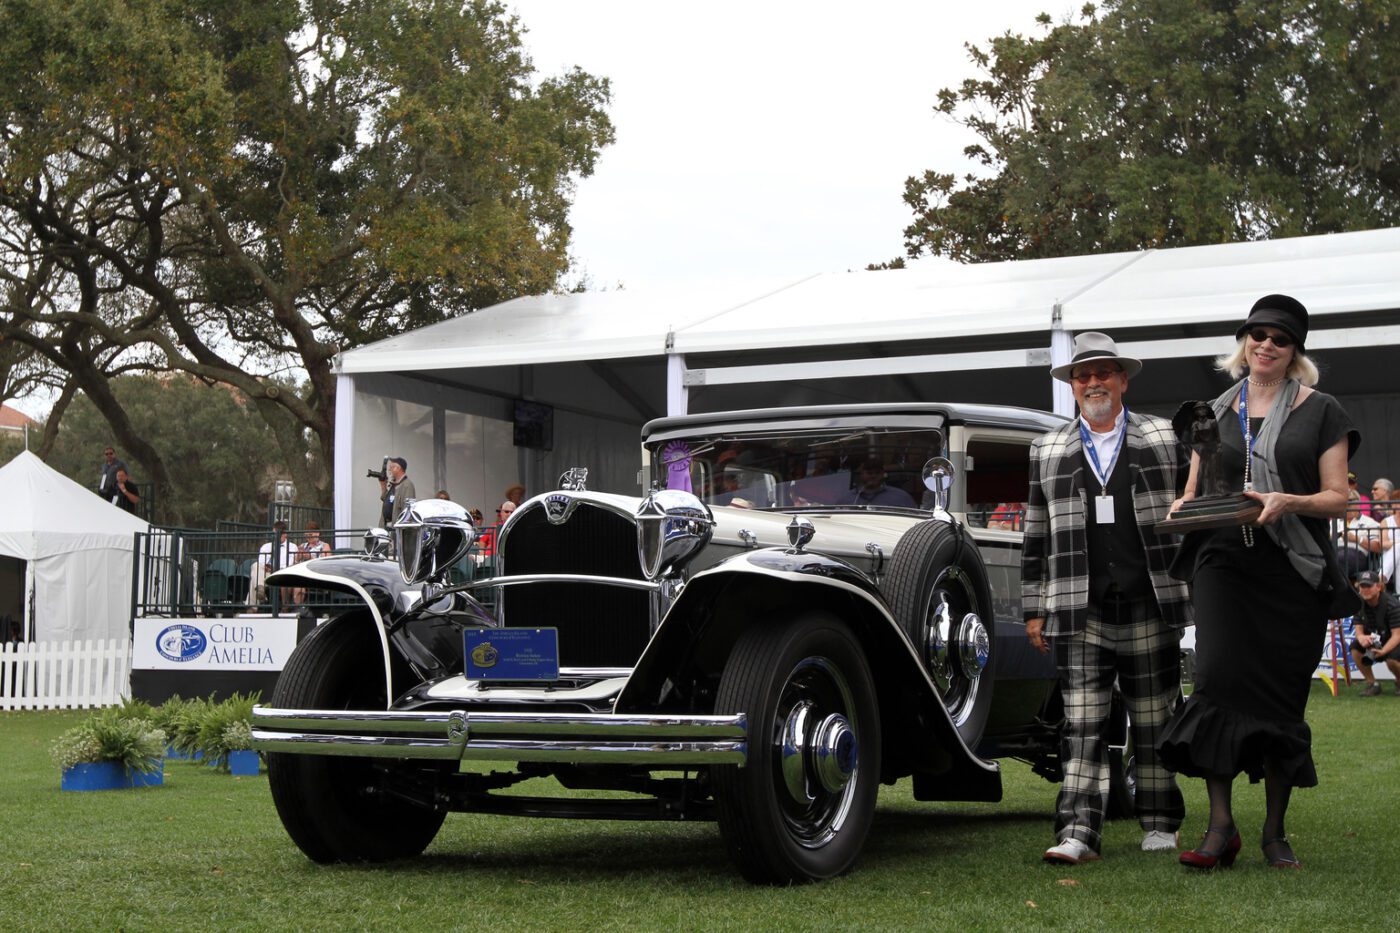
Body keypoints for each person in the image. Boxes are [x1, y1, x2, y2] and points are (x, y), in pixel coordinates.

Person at [1159, 294, 1361, 871]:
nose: (1266, 344)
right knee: (1216, 684)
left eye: (1280, 337)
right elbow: (1195, 491)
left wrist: (1286, 500)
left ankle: (1275, 832)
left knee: (1280, 698)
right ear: (1243, 341)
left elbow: (1338, 499)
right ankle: (1221, 828)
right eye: (1258, 334)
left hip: (1291, 569)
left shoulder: (1322, 410)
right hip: (1222, 564)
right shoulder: (1211, 411)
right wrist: (1181, 507)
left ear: (1295, 351)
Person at [1023, 332, 1190, 865]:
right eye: (1082, 375)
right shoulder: (1046, 448)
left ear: (1123, 379)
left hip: (1150, 599)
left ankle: (1161, 822)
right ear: (1072, 386)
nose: (1092, 382)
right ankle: (1078, 833)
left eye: (1103, 372)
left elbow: (1194, 510)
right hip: (1078, 606)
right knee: (1083, 723)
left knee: (1155, 718)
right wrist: (1033, 606)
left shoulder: (1165, 436)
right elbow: (1035, 533)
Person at [1349, 570, 1400, 696]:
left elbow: (1397, 636)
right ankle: (1373, 684)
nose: (1365, 589)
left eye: (1369, 586)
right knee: (1355, 647)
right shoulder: (1358, 604)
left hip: (1395, 641)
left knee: (1391, 660)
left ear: (1378, 587)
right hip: (1376, 641)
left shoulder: (1392, 605)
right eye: (1362, 586)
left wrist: (1383, 651)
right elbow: (1358, 632)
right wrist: (1362, 638)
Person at [847, 457, 916, 507]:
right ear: (861, 474)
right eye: (869, 473)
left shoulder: (901, 497)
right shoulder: (848, 498)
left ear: (883, 474)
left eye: (877, 473)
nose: (873, 476)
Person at [378, 457, 417, 525]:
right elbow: (389, 501)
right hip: (388, 528)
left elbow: (408, 511)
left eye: (392, 467)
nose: (389, 469)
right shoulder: (394, 484)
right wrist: (383, 486)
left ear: (398, 468)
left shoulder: (407, 485)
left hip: (398, 531)